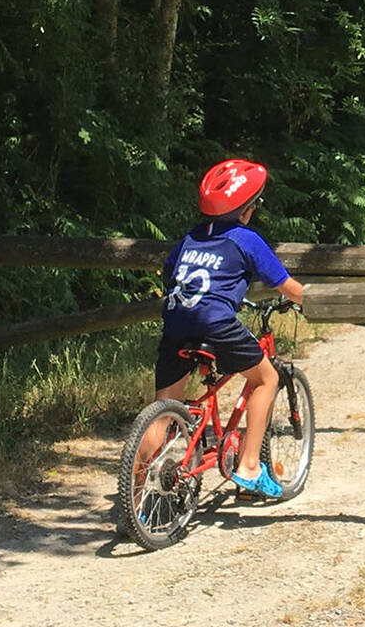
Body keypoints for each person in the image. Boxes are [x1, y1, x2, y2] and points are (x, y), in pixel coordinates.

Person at [145, 158, 305, 498]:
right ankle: (248, 466)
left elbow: (170, 271)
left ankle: (133, 494)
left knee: (162, 410)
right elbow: (286, 286)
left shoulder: (190, 237)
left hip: (177, 320)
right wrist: (316, 301)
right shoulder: (246, 239)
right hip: (216, 323)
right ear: (247, 209)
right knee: (267, 378)